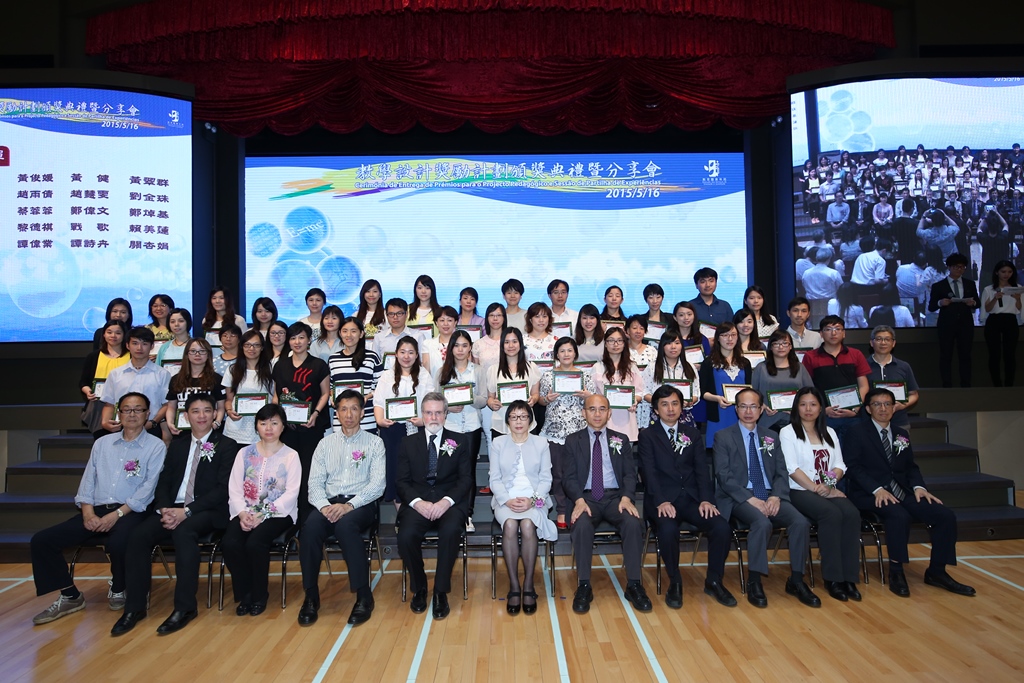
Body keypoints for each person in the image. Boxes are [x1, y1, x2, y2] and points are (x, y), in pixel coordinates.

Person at [30, 392, 165, 625]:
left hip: (131, 511)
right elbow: (88, 480)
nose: (132, 414)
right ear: (118, 413)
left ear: (147, 414)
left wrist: (117, 514)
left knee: (121, 541)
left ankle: (119, 586)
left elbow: (148, 488)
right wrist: (87, 512)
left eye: (138, 409)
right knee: (42, 541)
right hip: (96, 510)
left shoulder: (156, 446)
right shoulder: (102, 443)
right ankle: (70, 595)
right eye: (127, 409)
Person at [112, 394, 238, 635]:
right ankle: (134, 607)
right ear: (186, 416)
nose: (201, 416)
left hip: (208, 511)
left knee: (184, 532)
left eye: (207, 410)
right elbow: (163, 480)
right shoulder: (178, 445)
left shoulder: (227, 445)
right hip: (172, 509)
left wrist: (187, 511)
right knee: (138, 535)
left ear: (215, 414)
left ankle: (185, 607)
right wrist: (164, 508)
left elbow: (223, 489)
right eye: (195, 411)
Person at [844, 388, 976, 598]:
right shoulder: (856, 432)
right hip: (869, 494)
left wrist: (919, 487)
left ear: (894, 407)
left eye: (887, 404)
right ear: (868, 409)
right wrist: (877, 489)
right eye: (877, 404)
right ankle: (896, 572)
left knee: (944, 515)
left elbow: (910, 467)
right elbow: (852, 467)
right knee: (899, 515)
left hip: (902, 492)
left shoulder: (901, 434)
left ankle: (937, 571)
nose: (883, 408)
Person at [712, 388, 819, 608]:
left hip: (771, 495)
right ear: (736, 409)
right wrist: (750, 499)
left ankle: (797, 580)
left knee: (800, 522)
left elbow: (781, 472)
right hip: (740, 497)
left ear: (761, 410)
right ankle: (754, 580)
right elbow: (724, 476)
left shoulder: (771, 436)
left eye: (753, 406)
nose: (748, 411)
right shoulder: (723, 436)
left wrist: (777, 496)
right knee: (761, 523)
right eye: (743, 406)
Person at [639, 385, 736, 609]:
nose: (670, 409)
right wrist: (661, 501)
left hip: (692, 499)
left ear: (681, 407)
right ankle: (675, 580)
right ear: (656, 410)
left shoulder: (691, 433)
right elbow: (648, 472)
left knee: (721, 527)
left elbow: (702, 470)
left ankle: (714, 580)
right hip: (662, 500)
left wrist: (706, 499)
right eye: (664, 404)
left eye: (675, 403)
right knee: (667, 529)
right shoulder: (647, 435)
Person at [298, 390, 386, 627]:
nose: (349, 414)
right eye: (344, 409)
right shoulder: (324, 444)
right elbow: (314, 484)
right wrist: (325, 507)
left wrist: (349, 506)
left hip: (361, 504)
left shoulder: (375, 443)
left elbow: (377, 485)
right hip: (328, 504)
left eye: (354, 409)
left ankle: (364, 596)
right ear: (336, 413)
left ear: (362, 412)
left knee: (346, 527)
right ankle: (311, 596)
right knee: (309, 529)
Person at [562, 394, 652, 614]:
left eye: (602, 409)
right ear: (583, 413)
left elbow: (629, 474)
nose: (597, 414)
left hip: (615, 498)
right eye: (592, 409)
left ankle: (634, 584)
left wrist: (626, 497)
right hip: (586, 498)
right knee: (582, 525)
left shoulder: (621, 439)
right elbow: (568, 478)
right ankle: (584, 585)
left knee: (632, 523)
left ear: (609, 413)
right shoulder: (573, 441)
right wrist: (579, 500)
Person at [779, 388, 861, 602]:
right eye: (803, 404)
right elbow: (791, 468)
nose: (808, 409)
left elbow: (840, 465)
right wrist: (818, 488)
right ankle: (833, 578)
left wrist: (829, 485)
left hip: (826, 488)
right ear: (796, 407)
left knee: (851, 513)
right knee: (830, 514)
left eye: (813, 404)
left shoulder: (830, 432)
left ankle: (849, 577)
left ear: (821, 408)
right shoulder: (788, 432)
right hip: (799, 490)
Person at [396, 393, 473, 620]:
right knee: (406, 535)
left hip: (449, 503)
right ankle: (419, 587)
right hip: (418, 503)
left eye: (438, 412)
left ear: (445, 414)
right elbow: (401, 481)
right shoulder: (407, 443)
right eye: (429, 413)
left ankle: (440, 591)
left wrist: (445, 502)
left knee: (450, 531)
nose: (433, 417)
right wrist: (418, 503)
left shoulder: (460, 441)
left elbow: (465, 480)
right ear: (422, 414)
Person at [222, 403, 302, 616]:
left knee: (255, 543)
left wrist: (262, 514)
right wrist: (242, 513)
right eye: (263, 423)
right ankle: (245, 594)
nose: (269, 428)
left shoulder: (291, 456)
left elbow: (291, 494)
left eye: (274, 423)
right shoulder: (244, 453)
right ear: (256, 426)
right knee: (230, 543)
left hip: (278, 514)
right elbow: (234, 489)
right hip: (245, 512)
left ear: (283, 426)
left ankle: (259, 595)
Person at [489, 400, 558, 615]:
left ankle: (528, 585)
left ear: (531, 420)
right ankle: (514, 585)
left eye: (523, 416)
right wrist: (506, 500)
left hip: (535, 500)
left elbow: (546, 479)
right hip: (505, 500)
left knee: (528, 525)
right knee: (510, 525)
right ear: (507, 421)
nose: (518, 421)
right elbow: (494, 479)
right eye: (513, 417)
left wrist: (532, 500)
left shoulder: (541, 443)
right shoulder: (498, 443)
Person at [272, 322, 331, 521]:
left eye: (301, 337)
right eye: (293, 338)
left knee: (308, 473)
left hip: (311, 427)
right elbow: (276, 396)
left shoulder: (318, 365)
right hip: (287, 430)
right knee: (286, 472)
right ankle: (286, 517)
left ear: (309, 340)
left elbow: (325, 393)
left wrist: (315, 413)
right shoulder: (280, 365)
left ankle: (306, 517)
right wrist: (277, 419)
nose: (297, 342)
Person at [539, 337, 596, 529]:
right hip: (554, 432)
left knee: (577, 472)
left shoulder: (585, 376)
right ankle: (562, 509)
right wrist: (547, 399)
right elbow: (541, 401)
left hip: (578, 432)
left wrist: (588, 396)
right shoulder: (548, 376)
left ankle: (578, 506)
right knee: (557, 473)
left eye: (569, 350)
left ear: (575, 354)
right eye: (562, 351)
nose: (566, 354)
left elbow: (593, 403)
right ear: (556, 354)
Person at [435, 329, 487, 532]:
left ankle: (468, 515)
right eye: (456, 345)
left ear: (470, 348)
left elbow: (484, 400)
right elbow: (436, 400)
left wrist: (467, 398)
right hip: (450, 428)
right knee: (449, 471)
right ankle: (449, 513)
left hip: (472, 428)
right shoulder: (442, 372)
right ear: (451, 348)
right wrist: (448, 406)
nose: (460, 349)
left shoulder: (478, 370)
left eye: (465, 345)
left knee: (468, 472)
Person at [374, 335, 436, 502]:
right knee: (395, 471)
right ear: (396, 354)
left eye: (411, 352)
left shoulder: (424, 375)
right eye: (402, 352)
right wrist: (380, 421)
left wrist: (424, 420)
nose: (406, 356)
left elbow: (431, 402)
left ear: (416, 355)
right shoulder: (386, 376)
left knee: (418, 470)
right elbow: (378, 402)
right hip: (393, 430)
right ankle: (401, 513)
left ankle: (418, 509)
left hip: (418, 429)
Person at [801, 315, 871, 443]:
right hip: (826, 416)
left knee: (854, 451)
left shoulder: (856, 354)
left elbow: (864, 385)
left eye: (838, 329)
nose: (833, 333)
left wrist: (855, 409)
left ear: (844, 333)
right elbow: (808, 389)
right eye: (828, 329)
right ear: (821, 334)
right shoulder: (810, 357)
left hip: (853, 416)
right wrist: (822, 410)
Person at [100, 326, 170, 438]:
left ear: (152, 346)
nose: (139, 348)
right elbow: (109, 404)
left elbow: (167, 404)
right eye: (135, 343)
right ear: (127, 345)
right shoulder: (116, 374)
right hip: (121, 428)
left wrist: (153, 422)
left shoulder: (162, 374)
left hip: (150, 428)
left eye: (144, 344)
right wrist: (105, 422)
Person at [155, 338, 225, 441]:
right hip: (182, 432)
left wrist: (216, 423)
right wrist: (170, 423)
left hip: (209, 431)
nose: (197, 354)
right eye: (193, 351)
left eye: (202, 351)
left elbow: (221, 407)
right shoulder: (176, 379)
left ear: (208, 355)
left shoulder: (216, 379)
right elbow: (171, 407)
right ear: (187, 354)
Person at [928, 252, 979, 387]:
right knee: (946, 355)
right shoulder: (939, 286)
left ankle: (966, 384)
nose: (959, 269)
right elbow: (931, 307)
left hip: (965, 324)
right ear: (949, 267)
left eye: (962, 267)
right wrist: (940, 303)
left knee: (965, 355)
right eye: (956, 267)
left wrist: (973, 303)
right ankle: (947, 384)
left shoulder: (970, 284)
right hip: (946, 325)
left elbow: (978, 303)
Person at [699, 322, 751, 448]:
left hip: (742, 414)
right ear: (718, 338)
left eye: (733, 335)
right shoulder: (708, 363)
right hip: (718, 414)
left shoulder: (745, 363)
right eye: (725, 335)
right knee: (718, 451)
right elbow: (703, 392)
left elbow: (750, 389)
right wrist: (717, 398)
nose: (730, 339)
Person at [328, 316, 383, 433]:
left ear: (361, 334)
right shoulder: (333, 359)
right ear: (340, 333)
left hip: (366, 419)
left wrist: (366, 397)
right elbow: (330, 387)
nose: (349, 335)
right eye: (345, 331)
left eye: (353, 331)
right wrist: (332, 398)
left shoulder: (372, 357)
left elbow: (381, 387)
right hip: (341, 421)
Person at [590, 327, 645, 444]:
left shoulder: (632, 367)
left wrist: (634, 400)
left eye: (619, 340)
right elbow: (592, 394)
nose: (615, 344)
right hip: (604, 419)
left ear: (624, 344)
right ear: (605, 344)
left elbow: (640, 392)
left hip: (627, 419)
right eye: (611, 340)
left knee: (625, 452)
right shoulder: (597, 367)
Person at [485, 327, 541, 440]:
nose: (511, 346)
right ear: (502, 345)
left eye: (514, 341)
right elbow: (490, 398)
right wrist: (492, 403)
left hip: (526, 424)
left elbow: (535, 394)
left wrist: (533, 399)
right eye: (507, 342)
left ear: (520, 344)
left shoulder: (531, 367)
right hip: (501, 424)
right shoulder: (493, 370)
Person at [752, 330, 814, 432]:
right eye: (776, 344)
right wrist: (762, 405)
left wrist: (799, 407)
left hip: (795, 420)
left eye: (785, 343)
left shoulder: (799, 367)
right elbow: (752, 394)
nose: (781, 347)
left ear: (790, 346)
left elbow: (810, 393)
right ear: (770, 347)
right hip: (767, 420)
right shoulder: (761, 368)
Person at [223, 330, 276, 446]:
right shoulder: (232, 370)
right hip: (237, 427)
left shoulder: (271, 369)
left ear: (262, 347)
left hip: (263, 426)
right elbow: (229, 400)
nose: (251, 349)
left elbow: (275, 398)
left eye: (256, 345)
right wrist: (229, 411)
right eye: (247, 345)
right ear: (241, 347)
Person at [641, 329, 700, 429]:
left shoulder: (690, 367)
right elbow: (644, 392)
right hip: (659, 415)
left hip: (683, 415)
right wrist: (662, 403)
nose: (673, 347)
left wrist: (688, 402)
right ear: (662, 346)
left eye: (677, 343)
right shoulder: (652, 367)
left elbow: (696, 394)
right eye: (668, 343)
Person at [80, 320, 130, 439]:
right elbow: (83, 382)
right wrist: (88, 392)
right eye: (109, 332)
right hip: (99, 406)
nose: (113, 336)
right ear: (104, 334)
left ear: (124, 335)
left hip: (127, 405)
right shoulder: (94, 356)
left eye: (118, 333)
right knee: (102, 441)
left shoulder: (131, 356)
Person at [866, 326, 920, 431]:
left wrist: (903, 405)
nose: (883, 343)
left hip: (899, 422)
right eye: (879, 339)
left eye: (887, 339)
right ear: (871, 343)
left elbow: (914, 394)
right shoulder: (862, 366)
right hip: (869, 423)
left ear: (893, 343)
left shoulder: (904, 366)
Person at [980, 259, 1022, 386]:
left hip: (1010, 320)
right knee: (994, 354)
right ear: (997, 272)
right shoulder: (989, 289)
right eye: (1003, 271)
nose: (1006, 274)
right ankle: (997, 384)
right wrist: (995, 298)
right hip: (994, 321)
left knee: (1010, 354)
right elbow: (987, 309)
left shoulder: (1018, 288)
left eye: (1009, 272)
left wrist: (1018, 299)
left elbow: (1019, 309)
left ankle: (1009, 383)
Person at [421, 305, 458, 374]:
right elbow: (426, 372)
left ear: (455, 323)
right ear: (436, 323)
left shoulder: (461, 344)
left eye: (449, 320)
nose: (446, 324)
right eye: (442, 320)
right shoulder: (427, 344)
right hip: (434, 381)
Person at [472, 302, 507, 371]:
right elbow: (476, 371)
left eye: (499, 315)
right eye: (491, 315)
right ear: (487, 318)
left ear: (504, 318)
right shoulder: (478, 344)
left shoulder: (510, 342)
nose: (495, 318)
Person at [146, 294, 175, 358]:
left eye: (163, 305)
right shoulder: (146, 329)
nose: (159, 308)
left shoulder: (177, 328)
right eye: (155, 306)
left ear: (171, 308)